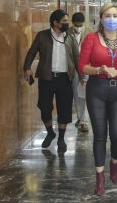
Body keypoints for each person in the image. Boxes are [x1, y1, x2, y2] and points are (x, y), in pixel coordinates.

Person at [78, 3, 117, 195]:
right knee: (100, 135)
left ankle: (114, 162)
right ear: (101, 19)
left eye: (115, 15)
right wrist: (99, 70)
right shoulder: (91, 39)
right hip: (97, 89)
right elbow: (82, 66)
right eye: (108, 16)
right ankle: (100, 177)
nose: (112, 19)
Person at [23, 9, 79, 153]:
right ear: (55, 22)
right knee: (45, 108)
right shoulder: (42, 36)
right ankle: (50, 132)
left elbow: (77, 57)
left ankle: (61, 139)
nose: (67, 23)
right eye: (64, 21)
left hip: (65, 79)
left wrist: (83, 77)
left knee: (64, 110)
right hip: (46, 78)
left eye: (67, 21)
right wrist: (27, 67)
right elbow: (31, 52)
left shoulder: (70, 37)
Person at [69, 12, 93, 132]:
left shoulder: (90, 32)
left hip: (86, 66)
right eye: (76, 25)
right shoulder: (67, 32)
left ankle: (84, 120)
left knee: (84, 94)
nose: (78, 28)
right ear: (72, 23)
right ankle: (81, 118)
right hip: (73, 67)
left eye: (80, 25)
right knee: (77, 94)